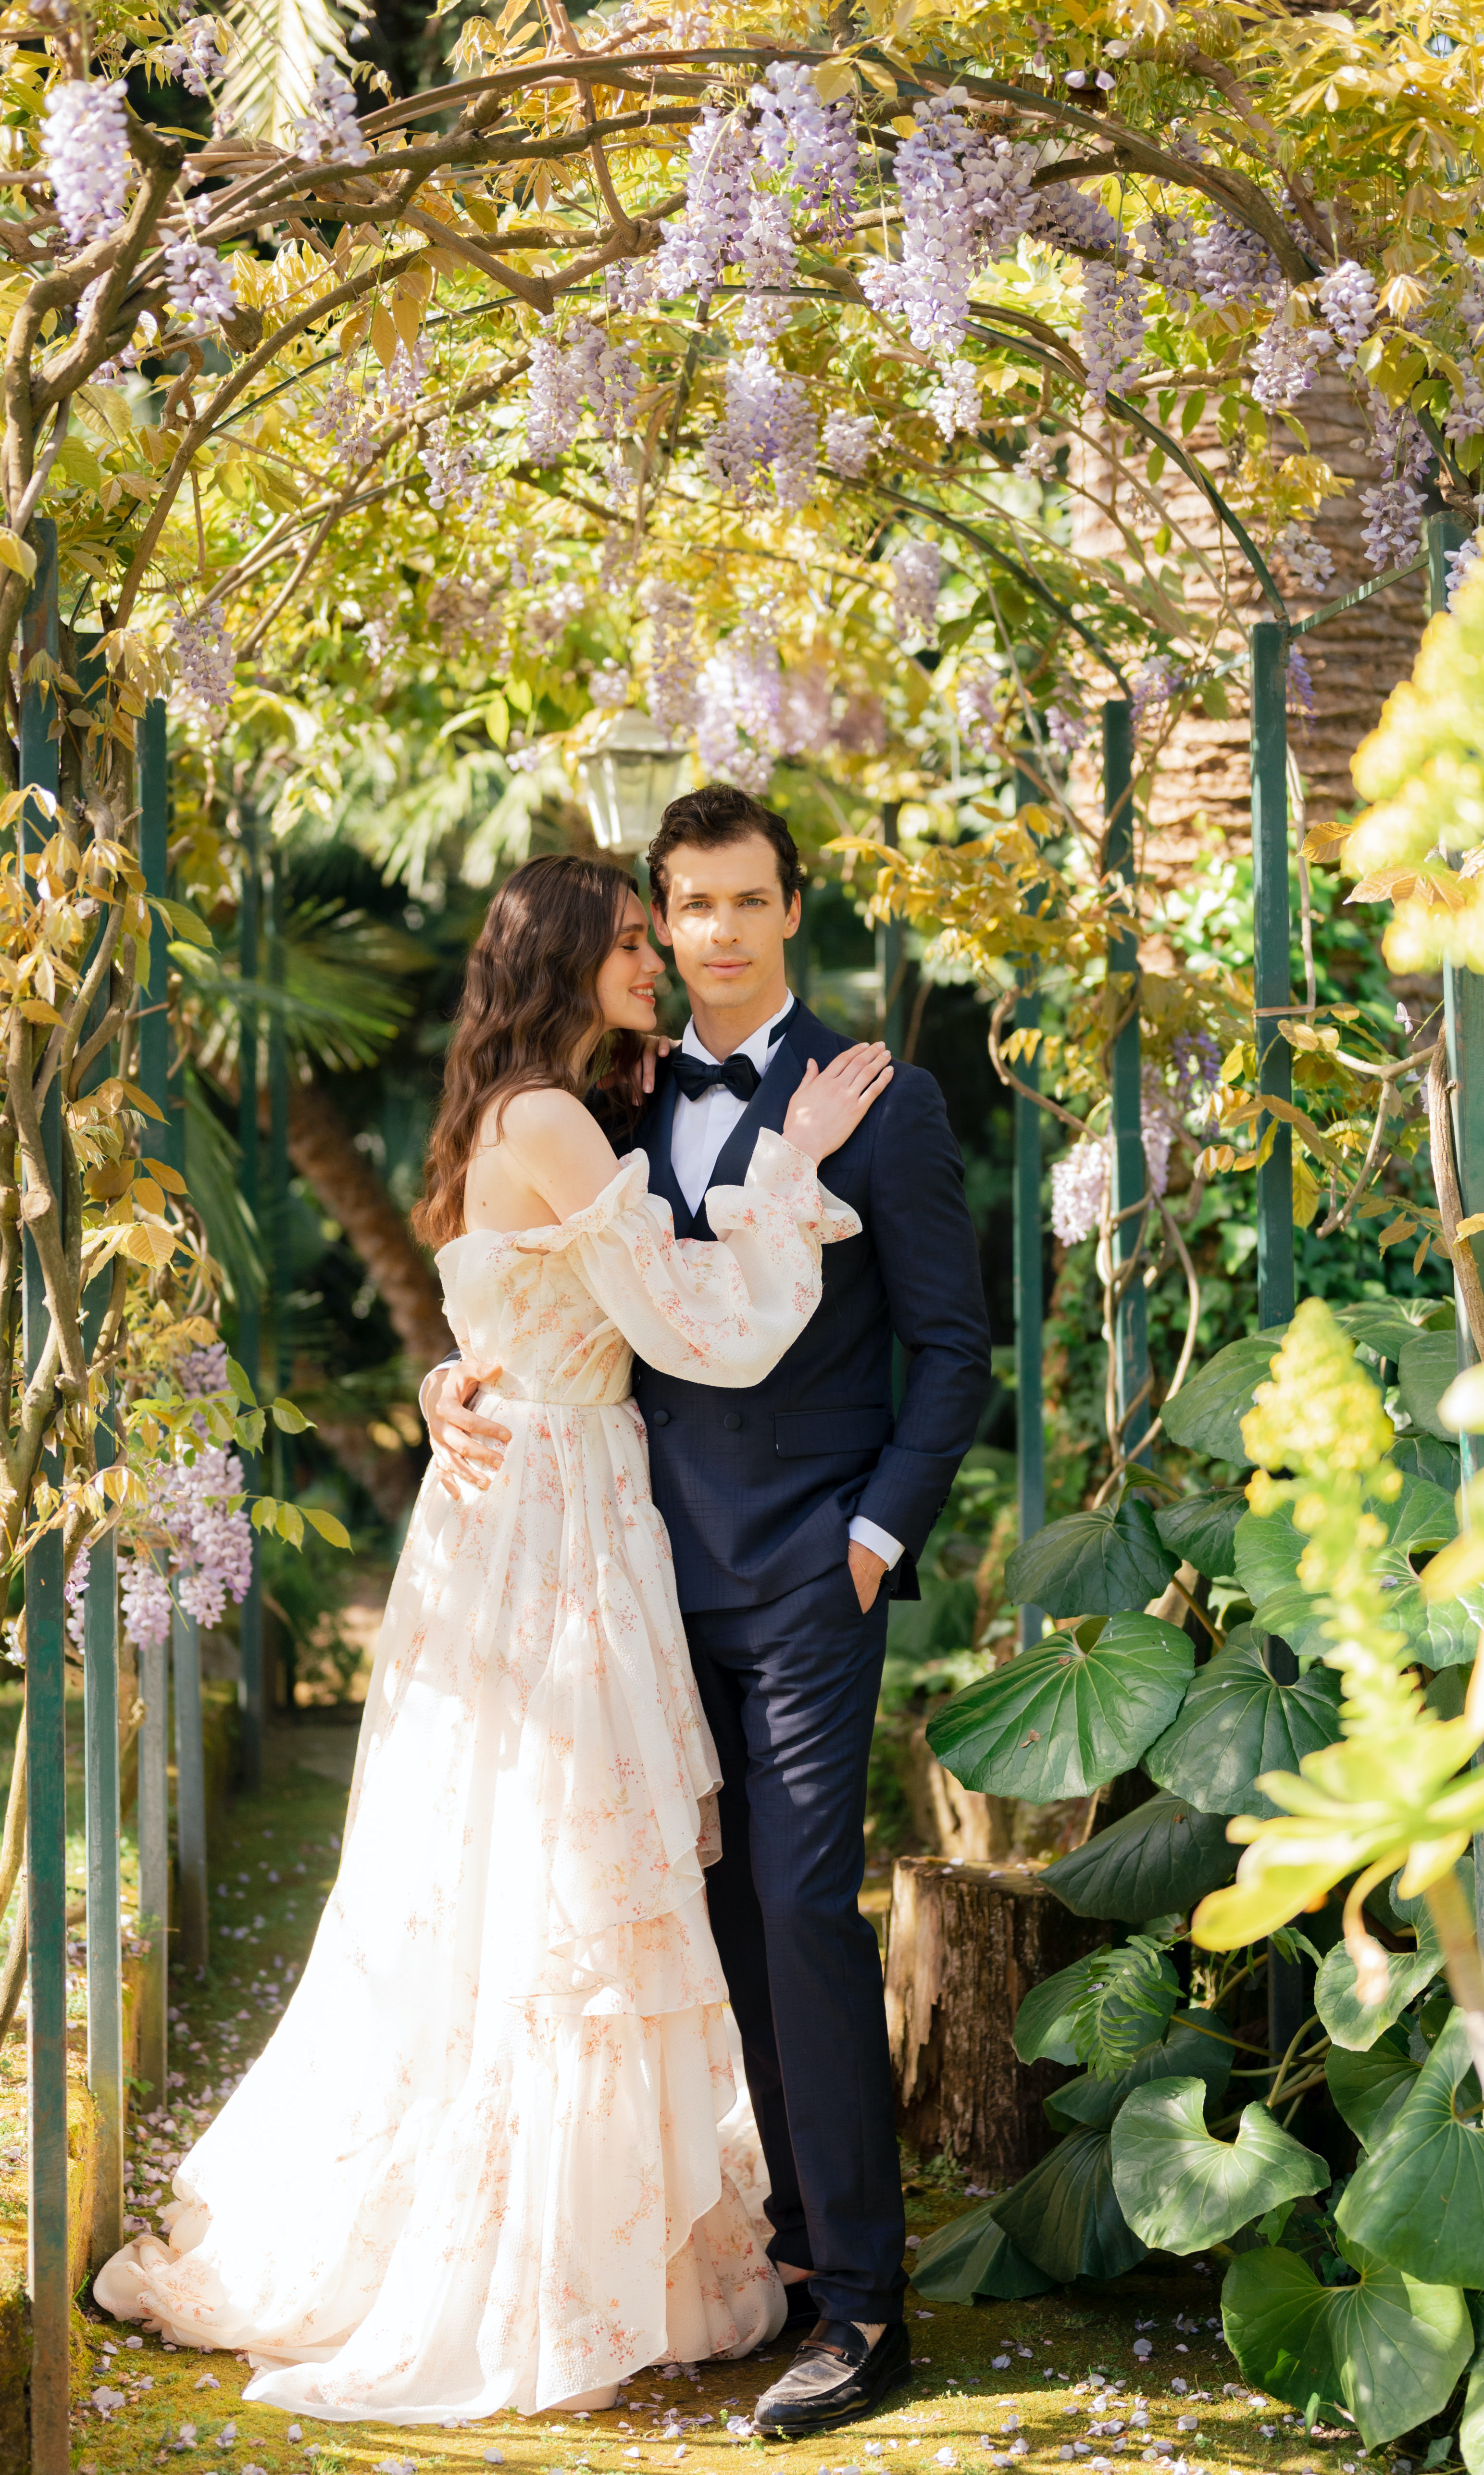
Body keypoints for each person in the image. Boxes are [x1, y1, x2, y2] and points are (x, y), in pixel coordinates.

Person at [93, 851, 894, 2425]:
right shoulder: (551, 1118)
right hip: (561, 1528)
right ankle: (540, 2257)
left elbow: (505, 1321)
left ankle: (576, 2233)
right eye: (633, 943)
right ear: (567, 957)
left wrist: (448, 1384)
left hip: (526, 1511)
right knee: (562, 1891)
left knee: (504, 1885)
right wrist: (793, 1162)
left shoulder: (510, 1109)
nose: (660, 961)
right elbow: (696, 1326)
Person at [424, 787, 993, 2438]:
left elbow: (953, 1351)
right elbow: (548, 1286)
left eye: (749, 899)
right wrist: (457, 1372)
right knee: (718, 1923)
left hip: (817, 1572)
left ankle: (870, 2309)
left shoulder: (881, 1104)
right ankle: (799, 2256)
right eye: (690, 906)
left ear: (792, 908)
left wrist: (878, 1536)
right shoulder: (618, 1088)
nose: (720, 932)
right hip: (643, 1578)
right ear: (661, 923)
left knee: (811, 1913)